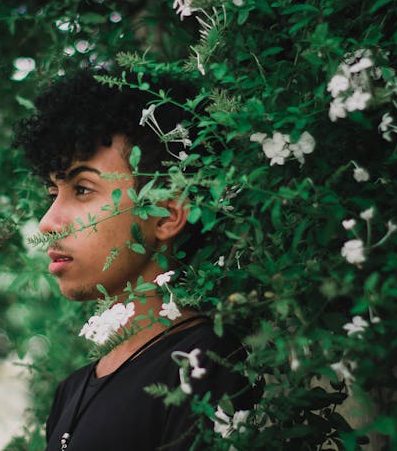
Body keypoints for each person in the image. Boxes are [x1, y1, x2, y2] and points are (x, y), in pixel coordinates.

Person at [16, 71, 258, 450]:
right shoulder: (70, 390)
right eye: (53, 190)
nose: (48, 222)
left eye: (82, 189)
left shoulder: (204, 365)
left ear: (166, 215)